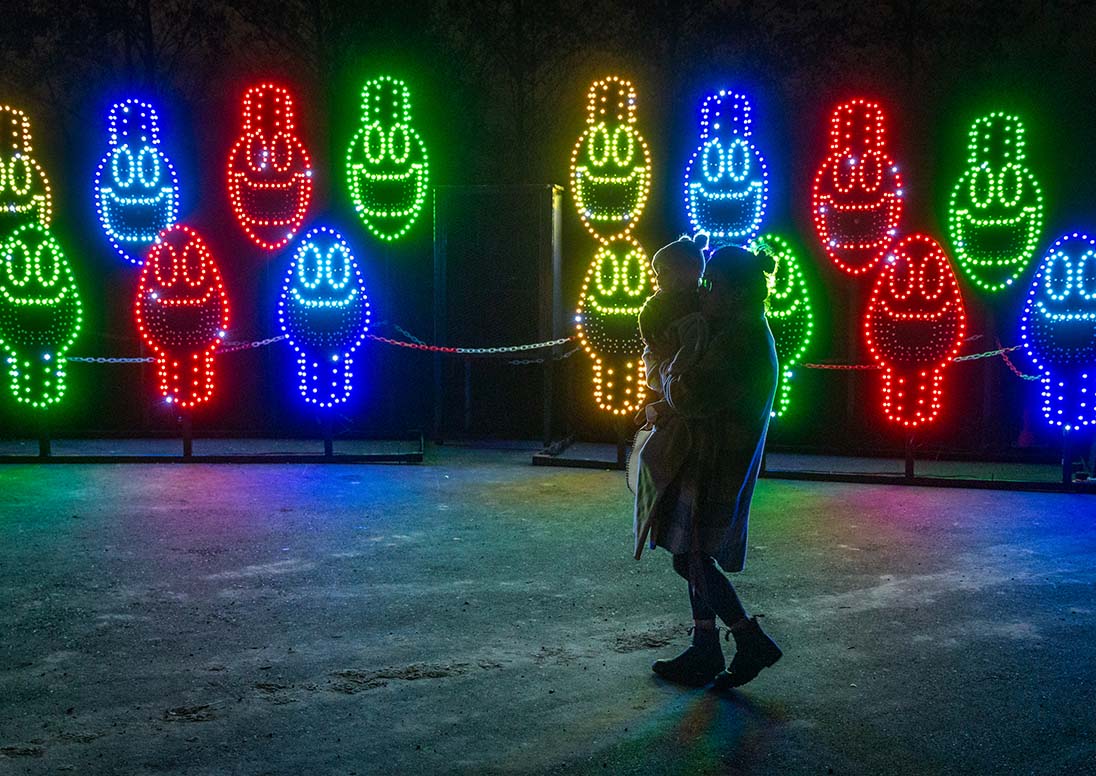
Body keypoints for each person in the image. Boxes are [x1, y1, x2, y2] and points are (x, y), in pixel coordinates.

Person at [638, 243, 782, 690]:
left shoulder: (739, 339)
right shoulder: (741, 328)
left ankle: (747, 638)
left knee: (693, 558)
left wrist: (660, 368)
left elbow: (689, 395)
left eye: (711, 286)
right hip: (713, 461)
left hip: (716, 466)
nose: (702, 294)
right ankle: (705, 647)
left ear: (735, 291)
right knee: (689, 556)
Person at [633, 234, 708, 560]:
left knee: (655, 460)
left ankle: (662, 526)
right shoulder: (669, 306)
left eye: (664, 270)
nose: (659, 278)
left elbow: (688, 355)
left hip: (677, 395)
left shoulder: (694, 313)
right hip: (669, 385)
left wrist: (669, 373)